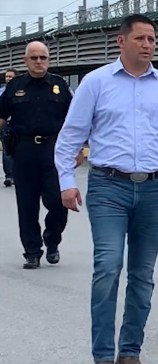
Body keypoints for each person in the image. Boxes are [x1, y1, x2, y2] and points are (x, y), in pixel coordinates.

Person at [54, 14, 158, 364]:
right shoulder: (96, 83)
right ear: (121, 42)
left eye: (152, 39)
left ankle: (130, 352)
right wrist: (66, 182)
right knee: (108, 267)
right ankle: (103, 357)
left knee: (142, 273)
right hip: (108, 186)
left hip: (154, 189)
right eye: (140, 38)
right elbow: (70, 138)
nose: (148, 45)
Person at [0, 43, 74, 269]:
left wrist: (78, 149)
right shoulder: (15, 87)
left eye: (43, 57)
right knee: (27, 204)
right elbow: (2, 117)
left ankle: (52, 241)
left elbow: (74, 122)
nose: (39, 61)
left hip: (54, 151)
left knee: (58, 202)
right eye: (34, 58)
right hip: (24, 152)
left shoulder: (59, 86)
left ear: (49, 60)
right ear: (26, 61)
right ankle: (32, 251)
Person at [1, 68, 19, 187]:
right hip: (6, 124)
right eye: (7, 76)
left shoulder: (20, 90)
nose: (8, 78)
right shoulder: (2, 91)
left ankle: (19, 174)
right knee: (7, 150)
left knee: (19, 150)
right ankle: (9, 176)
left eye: (11, 76)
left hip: (18, 124)